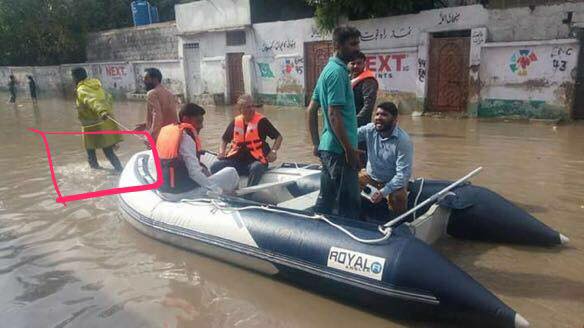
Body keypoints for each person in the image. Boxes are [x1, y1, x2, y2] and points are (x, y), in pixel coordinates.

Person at [307, 26, 362, 219]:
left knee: (326, 199)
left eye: (358, 43)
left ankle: (315, 231)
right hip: (340, 152)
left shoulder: (327, 71)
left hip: (328, 147)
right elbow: (333, 114)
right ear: (337, 45)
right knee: (349, 203)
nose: (357, 48)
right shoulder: (338, 73)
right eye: (352, 44)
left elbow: (311, 110)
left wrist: (316, 143)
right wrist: (349, 150)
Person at [156, 103, 239, 200]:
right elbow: (194, 173)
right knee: (231, 172)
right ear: (186, 119)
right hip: (181, 193)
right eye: (198, 122)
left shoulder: (168, 133)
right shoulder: (186, 138)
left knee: (203, 172)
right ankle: (233, 202)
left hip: (163, 190)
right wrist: (219, 191)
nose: (201, 126)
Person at [210, 94, 283, 187]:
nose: (252, 109)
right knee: (215, 166)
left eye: (253, 106)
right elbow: (224, 139)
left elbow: (278, 137)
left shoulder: (262, 121)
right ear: (240, 109)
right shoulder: (235, 122)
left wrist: (273, 151)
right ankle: (225, 189)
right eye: (248, 107)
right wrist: (222, 152)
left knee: (257, 168)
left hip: (256, 161)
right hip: (238, 161)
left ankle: (248, 194)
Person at [358, 102, 413, 215]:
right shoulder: (370, 129)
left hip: (391, 181)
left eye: (384, 115)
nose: (378, 118)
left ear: (395, 119)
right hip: (370, 177)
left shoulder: (403, 141)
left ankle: (397, 224)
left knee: (398, 196)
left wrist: (383, 192)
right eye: (377, 114)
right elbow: (350, 136)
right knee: (349, 181)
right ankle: (358, 217)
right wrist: (350, 150)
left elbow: (402, 175)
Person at [72, 67, 123, 172]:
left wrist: (101, 111)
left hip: (92, 126)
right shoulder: (96, 86)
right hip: (104, 122)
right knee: (108, 150)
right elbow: (108, 98)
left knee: (91, 150)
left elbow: (92, 100)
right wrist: (105, 112)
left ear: (75, 77)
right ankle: (119, 169)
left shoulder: (81, 89)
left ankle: (96, 171)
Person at [135, 68, 179, 141]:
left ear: (155, 79)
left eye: (146, 78)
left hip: (161, 136)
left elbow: (158, 116)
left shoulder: (152, 93)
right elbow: (169, 115)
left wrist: (151, 137)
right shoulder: (169, 93)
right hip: (173, 134)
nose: (144, 81)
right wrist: (147, 124)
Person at [348, 52, 378, 127]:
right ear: (348, 64)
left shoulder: (368, 81)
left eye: (359, 63)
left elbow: (368, 106)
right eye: (352, 63)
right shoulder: (347, 78)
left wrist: (355, 121)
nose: (355, 66)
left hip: (359, 124)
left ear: (364, 64)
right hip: (346, 120)